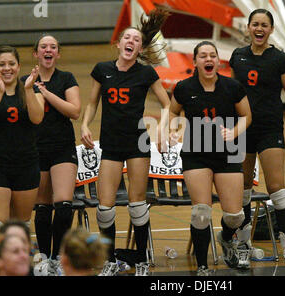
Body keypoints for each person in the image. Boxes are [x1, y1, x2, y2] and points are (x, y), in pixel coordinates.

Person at [80, 9, 171, 276]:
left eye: (137, 40)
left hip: (137, 144)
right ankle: (109, 261)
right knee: (105, 208)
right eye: (127, 38)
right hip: (111, 143)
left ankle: (141, 260)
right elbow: (92, 102)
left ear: (140, 48)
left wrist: (163, 130)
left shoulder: (146, 73)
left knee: (137, 205)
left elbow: (166, 104)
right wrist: (85, 124)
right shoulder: (103, 70)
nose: (131, 42)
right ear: (118, 44)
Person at [229, 8, 285, 272]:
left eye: (264, 25)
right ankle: (243, 247)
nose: (259, 29)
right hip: (243, 131)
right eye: (255, 24)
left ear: (271, 30)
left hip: (271, 129)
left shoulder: (281, 60)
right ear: (248, 28)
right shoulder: (238, 56)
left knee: (277, 189)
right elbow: (233, 95)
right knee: (243, 188)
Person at [169, 41, 252, 275]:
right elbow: (173, 111)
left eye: (212, 55)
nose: (208, 59)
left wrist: (233, 132)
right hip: (196, 155)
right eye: (203, 56)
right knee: (201, 212)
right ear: (194, 62)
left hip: (227, 154)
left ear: (218, 61)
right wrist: (173, 130)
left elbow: (246, 116)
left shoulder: (232, 87)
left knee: (235, 216)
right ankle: (203, 266)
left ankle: (226, 238)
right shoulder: (184, 87)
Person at [0, 46, 44, 243]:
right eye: (2, 64)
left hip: (26, 164)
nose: (7, 68)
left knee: (20, 227)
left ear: (19, 66)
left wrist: (29, 89)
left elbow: (37, 118)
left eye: (11, 64)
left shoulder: (32, 90)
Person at [25, 34, 81, 276]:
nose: (48, 50)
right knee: (43, 208)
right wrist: (31, 88)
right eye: (43, 47)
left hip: (62, 148)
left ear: (58, 53)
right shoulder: (25, 81)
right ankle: (44, 259)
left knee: (65, 206)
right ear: (36, 53)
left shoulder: (66, 78)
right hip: (35, 149)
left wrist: (46, 93)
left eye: (53, 47)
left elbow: (75, 111)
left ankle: (57, 257)